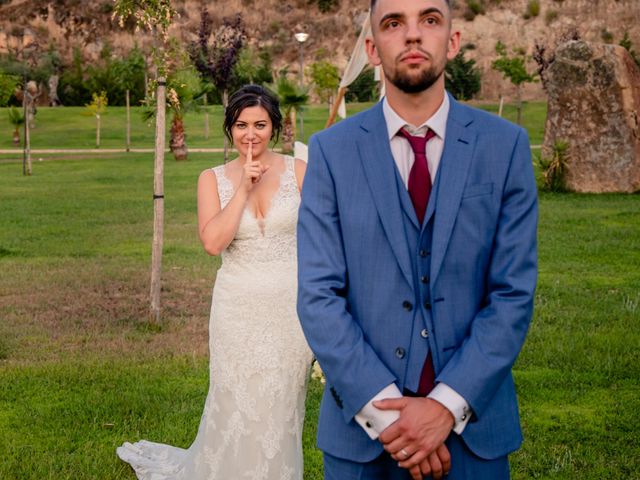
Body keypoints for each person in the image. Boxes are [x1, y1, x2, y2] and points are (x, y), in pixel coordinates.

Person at [296, 0, 538, 479]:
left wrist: (445, 407)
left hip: (474, 435)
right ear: (371, 48)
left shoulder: (505, 147)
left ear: (452, 41)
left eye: (429, 20)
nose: (412, 35)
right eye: (393, 23)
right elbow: (318, 296)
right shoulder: (330, 152)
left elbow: (512, 293)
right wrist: (393, 420)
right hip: (362, 441)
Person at [117, 85, 313, 479]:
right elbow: (212, 243)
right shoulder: (212, 179)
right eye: (241, 125)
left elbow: (324, 238)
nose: (250, 134)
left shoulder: (299, 170)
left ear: (274, 126)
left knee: (281, 403)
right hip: (236, 307)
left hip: (288, 307)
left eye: (260, 124)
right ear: (230, 129)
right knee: (235, 398)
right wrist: (242, 188)